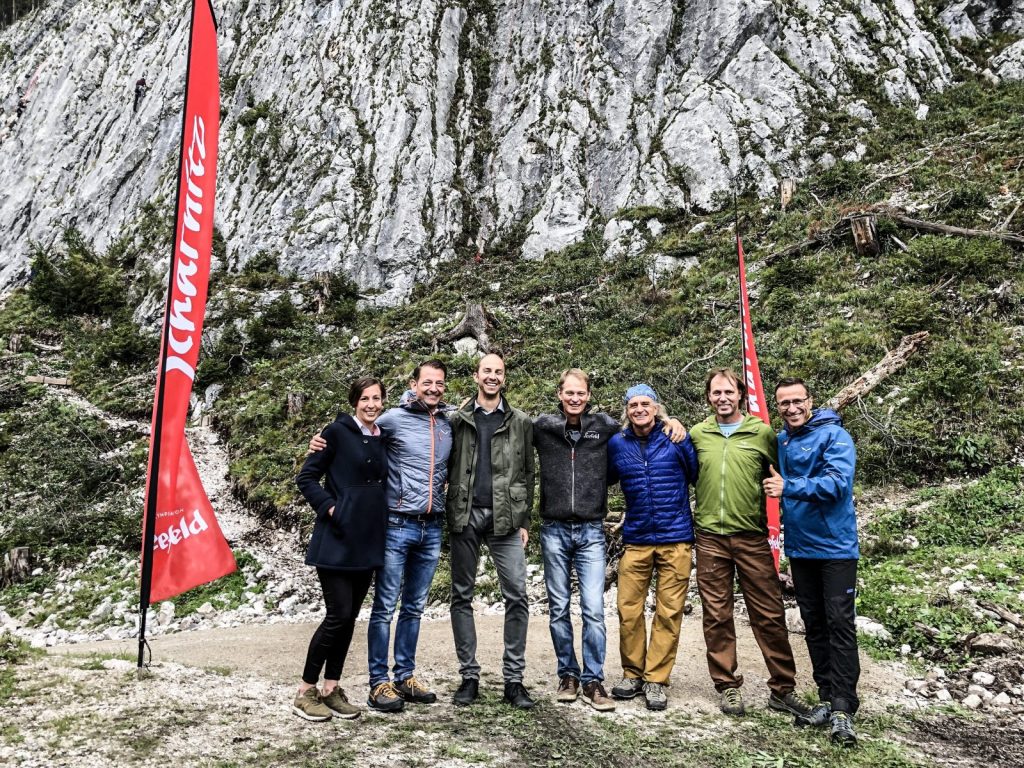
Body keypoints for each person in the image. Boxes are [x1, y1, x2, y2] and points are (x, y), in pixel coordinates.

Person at [533, 369, 687, 712]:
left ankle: (593, 679)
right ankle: (568, 675)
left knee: (593, 609)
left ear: (588, 395)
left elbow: (645, 428)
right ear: (559, 394)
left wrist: (671, 420)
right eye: (569, 393)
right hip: (554, 529)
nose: (575, 398)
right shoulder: (541, 427)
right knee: (559, 608)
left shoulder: (604, 428)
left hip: (591, 530)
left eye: (581, 393)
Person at [309, 360, 452, 712]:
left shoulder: (449, 423)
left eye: (439, 383)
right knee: (385, 606)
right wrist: (319, 442)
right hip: (396, 524)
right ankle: (378, 683)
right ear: (413, 384)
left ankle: (405, 676)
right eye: (427, 382)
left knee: (414, 607)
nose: (433, 388)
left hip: (431, 525)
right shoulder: (390, 420)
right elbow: (351, 434)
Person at [688, 368, 809, 719]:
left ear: (740, 394)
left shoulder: (762, 433)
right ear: (709, 397)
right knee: (717, 615)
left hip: (752, 536)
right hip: (709, 537)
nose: (722, 398)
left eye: (729, 392)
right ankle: (727, 685)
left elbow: (785, 474)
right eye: (716, 393)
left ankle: (783, 689)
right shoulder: (698, 434)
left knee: (769, 613)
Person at [764, 377, 860, 747]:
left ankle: (844, 707)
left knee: (839, 624)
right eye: (784, 403)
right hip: (801, 549)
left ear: (810, 401)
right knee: (814, 624)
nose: (791, 408)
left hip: (836, 548)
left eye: (797, 401)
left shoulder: (836, 437)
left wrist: (789, 487)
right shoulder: (783, 440)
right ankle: (825, 696)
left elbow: (837, 483)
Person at [293, 377, 389, 721]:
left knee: (349, 619)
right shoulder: (333, 433)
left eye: (377, 398)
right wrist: (333, 508)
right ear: (354, 401)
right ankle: (306, 691)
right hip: (336, 539)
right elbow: (306, 478)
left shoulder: (382, 437)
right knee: (336, 616)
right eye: (365, 398)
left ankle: (332, 688)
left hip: (368, 541)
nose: (371, 404)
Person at [446, 353, 536, 709]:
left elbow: (528, 474)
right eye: (487, 371)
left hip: (507, 519)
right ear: (475, 376)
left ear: (504, 378)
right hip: (465, 515)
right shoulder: (457, 420)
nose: (493, 377)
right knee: (461, 595)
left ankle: (513, 681)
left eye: (499, 372)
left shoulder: (521, 421)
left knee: (517, 595)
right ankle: (469, 676)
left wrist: (525, 520)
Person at [606, 384, 698, 711]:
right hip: (637, 539)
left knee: (668, 611)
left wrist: (680, 427)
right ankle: (632, 673)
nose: (640, 409)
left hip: (676, 539)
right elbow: (604, 477)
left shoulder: (676, 438)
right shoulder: (617, 444)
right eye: (633, 405)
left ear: (656, 408)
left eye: (646, 403)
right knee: (628, 607)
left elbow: (696, 474)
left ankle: (656, 679)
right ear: (627, 411)